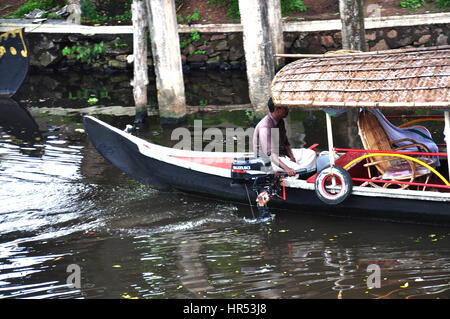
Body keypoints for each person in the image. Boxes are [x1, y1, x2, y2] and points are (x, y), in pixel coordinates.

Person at [253, 98, 316, 177]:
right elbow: (271, 155)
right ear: (277, 110)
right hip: (269, 160)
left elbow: (286, 143)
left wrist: (291, 157)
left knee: (311, 154)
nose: (288, 110)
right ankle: (300, 173)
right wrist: (287, 168)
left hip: (282, 154)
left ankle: (302, 172)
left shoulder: (280, 121)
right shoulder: (265, 126)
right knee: (297, 169)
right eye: (285, 108)